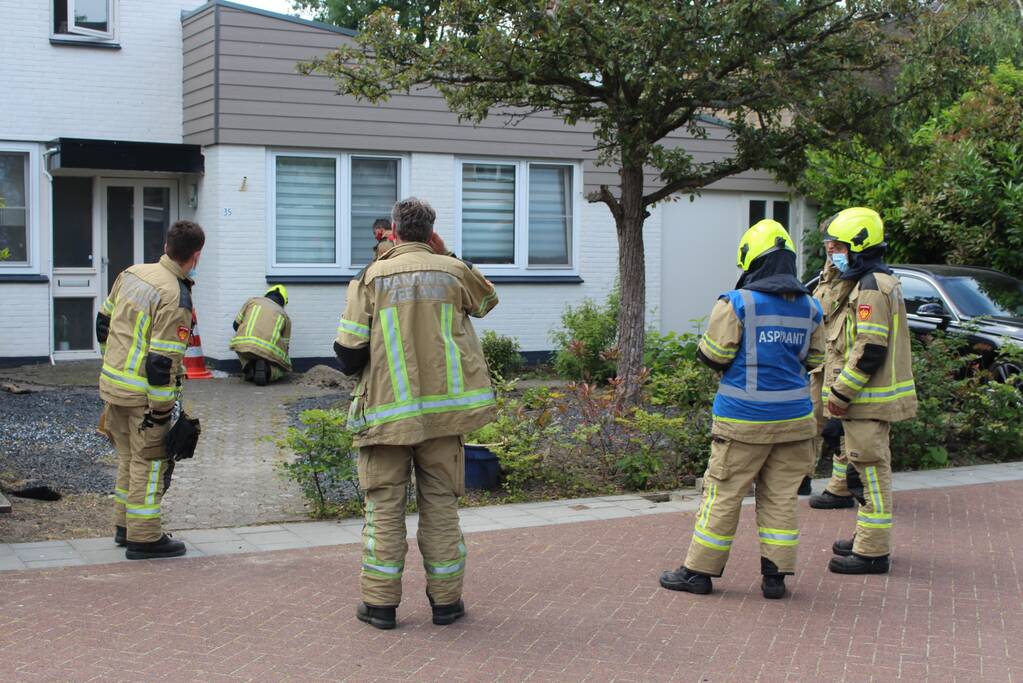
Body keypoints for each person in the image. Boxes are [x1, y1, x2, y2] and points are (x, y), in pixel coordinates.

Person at [334, 197, 499, 629]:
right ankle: (447, 604)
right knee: (441, 507)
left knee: (384, 509)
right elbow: (486, 302)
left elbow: (348, 354)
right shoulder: (451, 271)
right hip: (444, 420)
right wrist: (446, 254)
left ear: (393, 229)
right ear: (431, 232)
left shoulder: (371, 277)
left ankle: (380, 606)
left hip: (387, 418)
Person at [660, 220, 824, 599]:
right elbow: (816, 357)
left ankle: (698, 572)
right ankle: (775, 577)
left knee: (724, 494)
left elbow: (713, 355)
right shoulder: (811, 307)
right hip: (796, 421)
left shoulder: (737, 303)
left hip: (743, 421)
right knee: (781, 498)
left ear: (751, 261)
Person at [95, 220, 205, 560]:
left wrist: (114, 368)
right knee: (151, 460)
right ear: (196, 255)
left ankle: (124, 526)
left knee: (128, 457)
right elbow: (162, 362)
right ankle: (144, 537)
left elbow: (103, 323)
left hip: (113, 387)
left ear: (167, 245)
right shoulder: (175, 295)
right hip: (143, 396)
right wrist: (161, 410)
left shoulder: (132, 274)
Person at [819, 207, 917, 574]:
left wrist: (839, 395)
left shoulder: (872, 288)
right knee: (860, 472)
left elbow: (869, 350)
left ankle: (873, 552)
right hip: (865, 402)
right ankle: (866, 539)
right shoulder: (870, 281)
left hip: (865, 402)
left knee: (870, 474)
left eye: (838, 246)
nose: (832, 252)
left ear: (859, 246)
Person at [807, 213, 859, 509]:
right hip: (823, 360)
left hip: (844, 362)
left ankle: (840, 488)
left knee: (842, 426)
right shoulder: (828, 272)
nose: (830, 248)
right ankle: (803, 474)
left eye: (836, 243)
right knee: (812, 419)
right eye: (827, 242)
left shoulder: (858, 276)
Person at [230, 284, 292, 386]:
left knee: (241, 347)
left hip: (244, 345)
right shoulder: (285, 317)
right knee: (283, 368)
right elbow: (285, 346)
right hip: (268, 351)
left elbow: (235, 325)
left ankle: (249, 367)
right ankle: (268, 370)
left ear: (267, 295)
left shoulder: (252, 301)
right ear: (283, 302)